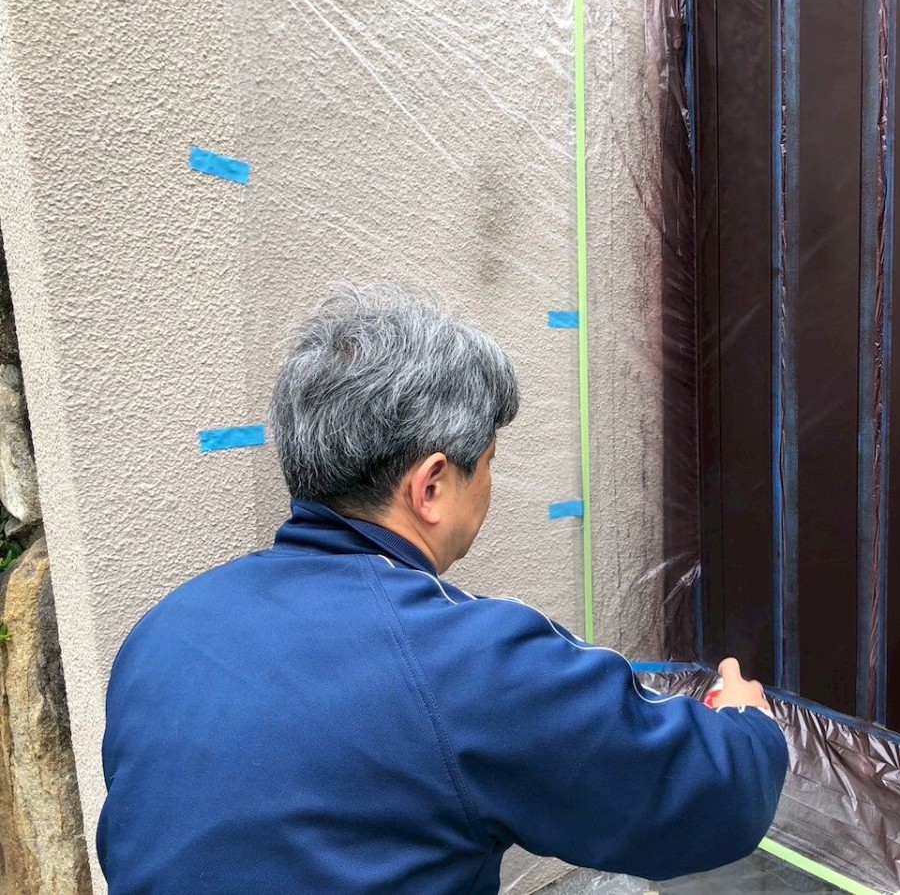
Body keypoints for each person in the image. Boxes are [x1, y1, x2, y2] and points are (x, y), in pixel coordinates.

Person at [98, 285, 788, 893]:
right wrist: (747, 724)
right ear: (429, 487)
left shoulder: (165, 632)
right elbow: (715, 801)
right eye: (486, 464)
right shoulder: (468, 662)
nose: (490, 486)